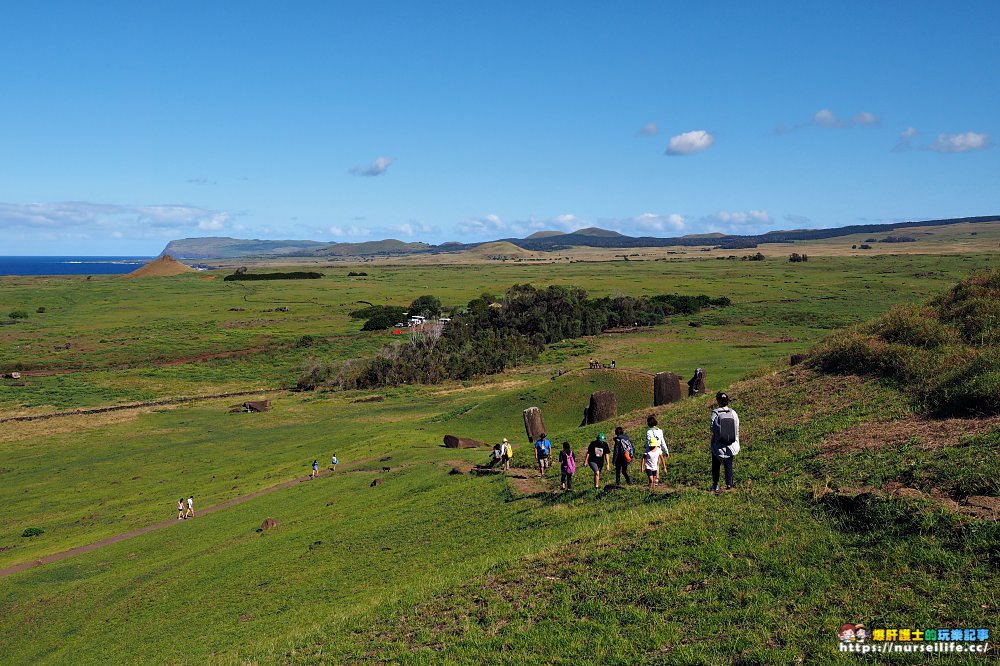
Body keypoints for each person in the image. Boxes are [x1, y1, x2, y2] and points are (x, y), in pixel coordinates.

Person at [710, 391, 741, 493]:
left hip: (718, 445)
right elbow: (737, 427)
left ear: (718, 401)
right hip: (731, 444)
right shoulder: (733, 413)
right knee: (728, 465)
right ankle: (729, 484)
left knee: (716, 465)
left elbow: (712, 427)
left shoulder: (716, 412)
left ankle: (716, 485)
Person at [645, 415, 669, 485]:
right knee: (656, 464)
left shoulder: (649, 432)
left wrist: (646, 449)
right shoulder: (660, 431)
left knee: (649, 464)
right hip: (658, 449)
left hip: (650, 449)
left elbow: (648, 441)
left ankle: (652, 479)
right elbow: (662, 442)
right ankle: (656, 479)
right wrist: (666, 451)